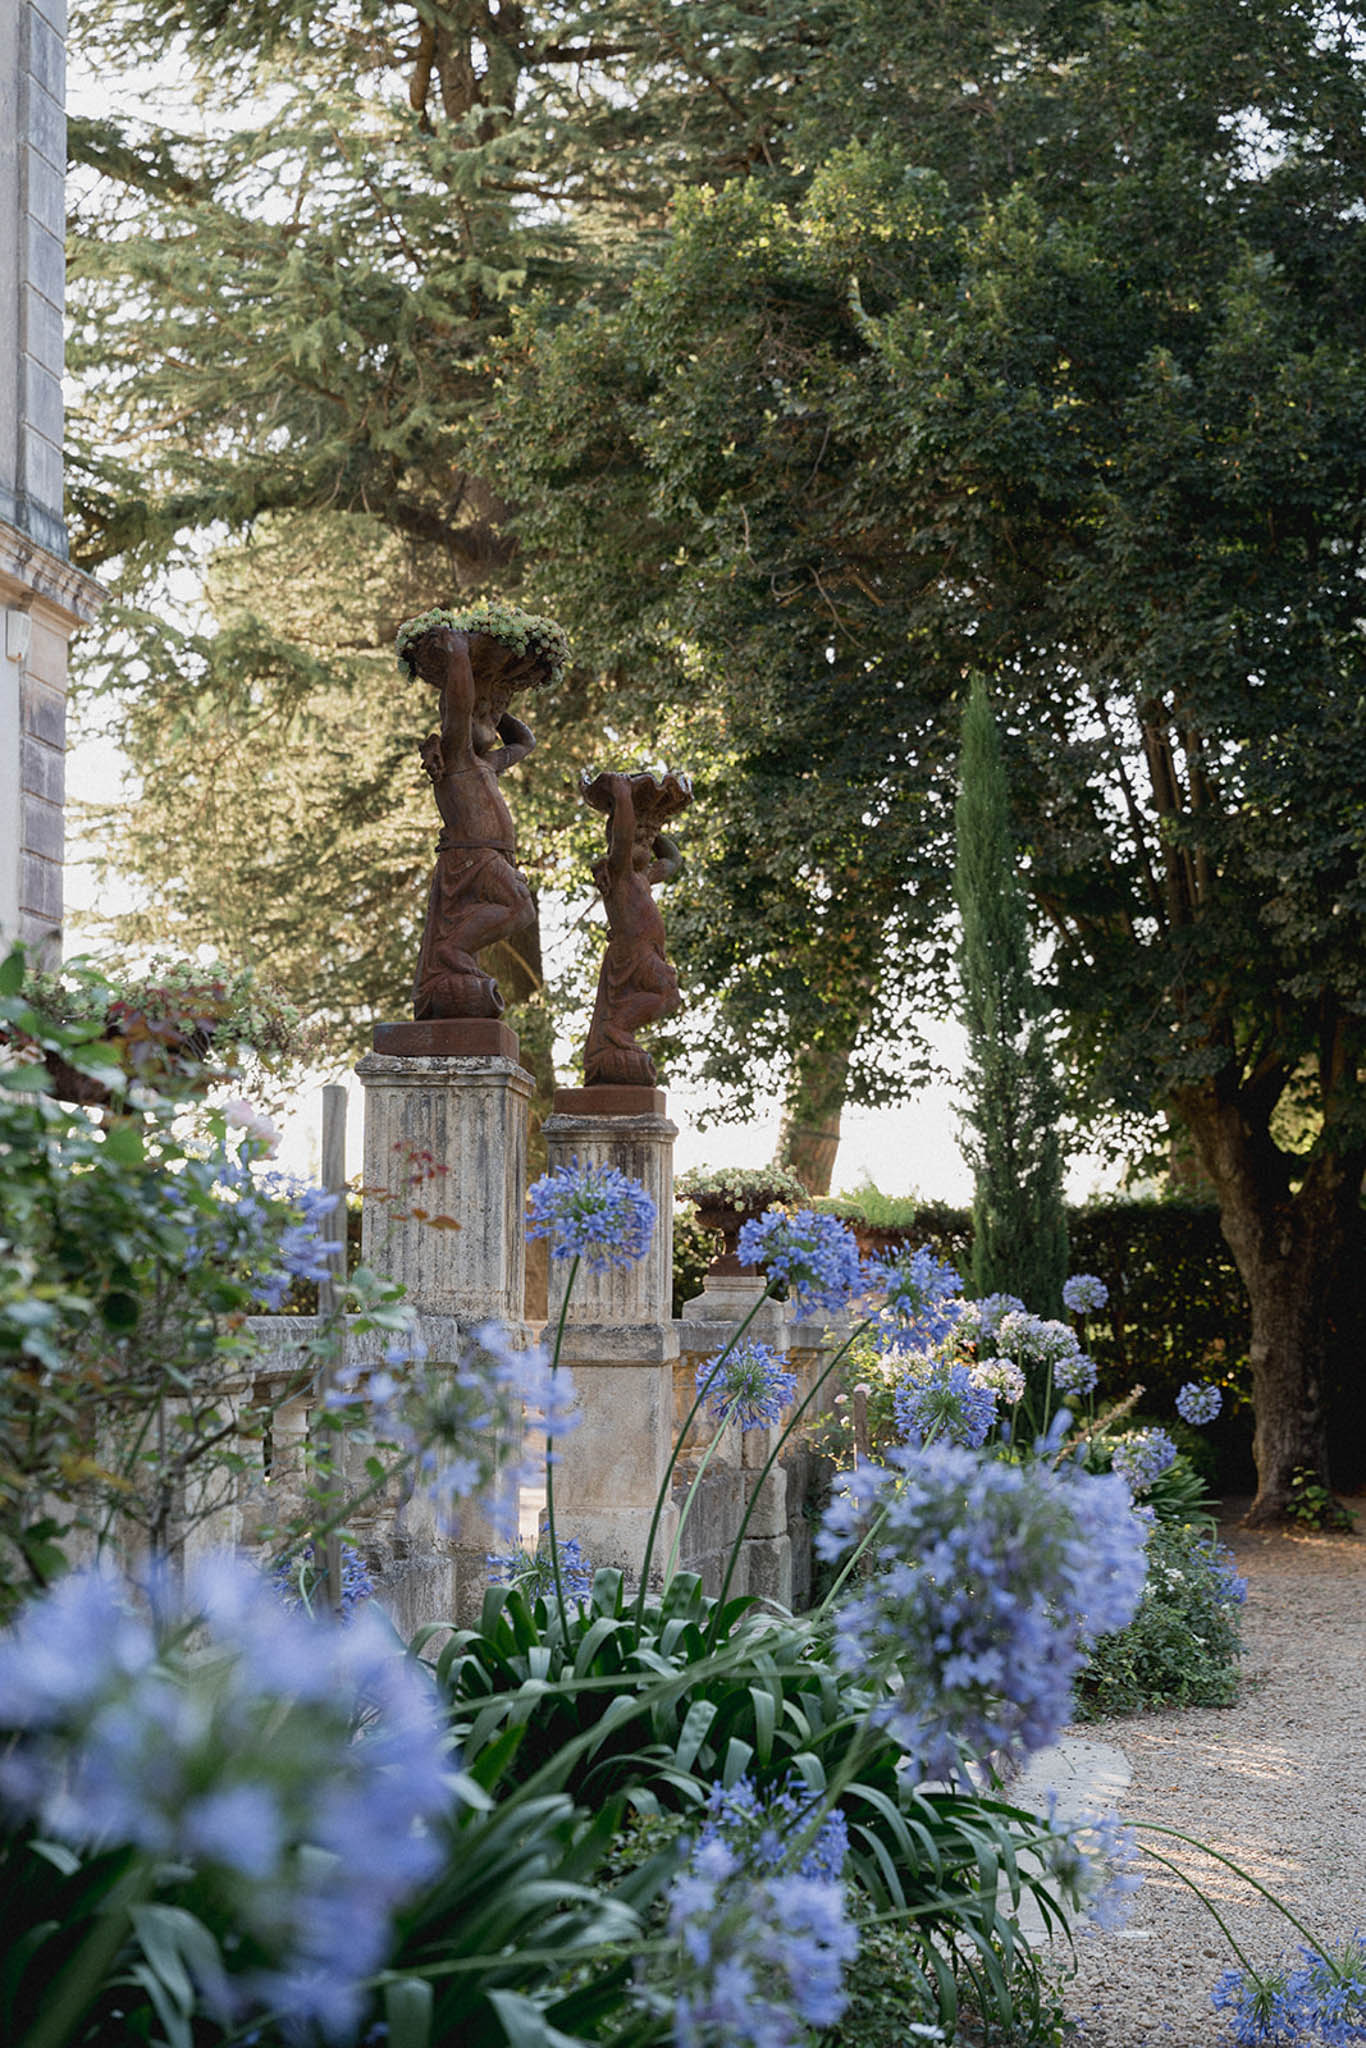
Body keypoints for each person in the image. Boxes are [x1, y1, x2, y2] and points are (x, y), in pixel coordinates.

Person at [409, 626, 536, 1020]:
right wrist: (461, 656)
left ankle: (456, 948)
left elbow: (524, 742)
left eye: (493, 714)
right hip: (473, 858)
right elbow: (461, 708)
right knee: (519, 908)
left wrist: (497, 697)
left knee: (520, 908)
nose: (488, 718)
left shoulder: (487, 763)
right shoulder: (457, 754)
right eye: (482, 710)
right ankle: (454, 949)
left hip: (491, 857)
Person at [581, 768, 691, 1086]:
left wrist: (656, 825)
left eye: (649, 839)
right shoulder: (619, 872)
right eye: (638, 838)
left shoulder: (644, 877)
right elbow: (625, 837)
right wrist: (623, 797)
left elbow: (673, 861)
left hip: (647, 950)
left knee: (669, 996)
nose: (643, 842)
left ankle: (619, 1027)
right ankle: (617, 1028)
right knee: (667, 994)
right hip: (633, 953)